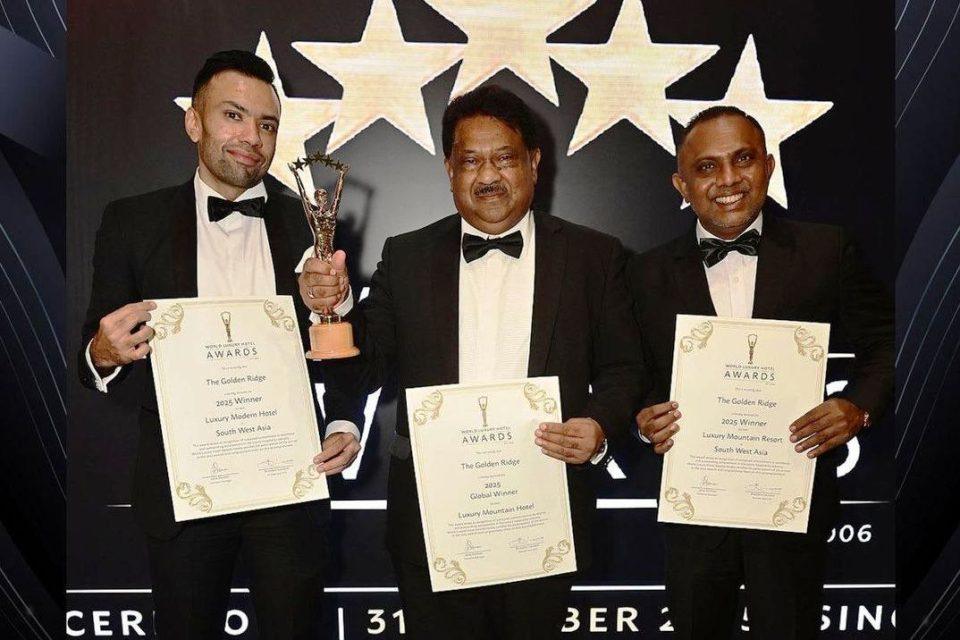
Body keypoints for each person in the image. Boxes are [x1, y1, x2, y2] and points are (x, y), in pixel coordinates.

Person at [300, 84, 644, 639]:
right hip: (436, 521)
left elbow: (624, 368)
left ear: (534, 162)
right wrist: (336, 307)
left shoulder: (594, 256)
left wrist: (599, 424)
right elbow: (368, 369)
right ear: (448, 169)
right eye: (470, 161)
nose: (488, 176)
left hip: (544, 514)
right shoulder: (406, 256)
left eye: (504, 158)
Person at [78, 50, 361, 639]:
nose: (252, 138)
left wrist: (342, 421)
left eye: (267, 124)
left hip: (289, 484)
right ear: (194, 122)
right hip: (186, 493)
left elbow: (338, 345)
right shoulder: (132, 222)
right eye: (233, 115)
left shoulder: (310, 226)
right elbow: (94, 353)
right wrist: (104, 353)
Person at [628, 106, 893, 639]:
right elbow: (631, 373)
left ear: (768, 166)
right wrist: (642, 420)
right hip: (696, 510)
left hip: (791, 502)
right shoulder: (643, 274)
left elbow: (887, 342)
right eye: (706, 167)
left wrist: (858, 407)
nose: (728, 180)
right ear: (682, 184)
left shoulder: (826, 251)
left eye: (743, 159)